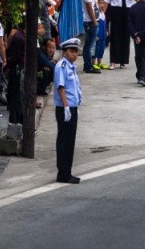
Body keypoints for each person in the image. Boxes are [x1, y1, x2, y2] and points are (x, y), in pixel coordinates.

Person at [53, 38, 83, 184]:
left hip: (72, 107)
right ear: (64, 52)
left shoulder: (71, 66)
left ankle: (67, 172)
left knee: (70, 141)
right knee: (64, 141)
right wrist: (66, 106)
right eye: (71, 51)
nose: (74, 54)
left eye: (76, 52)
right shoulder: (62, 66)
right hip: (65, 108)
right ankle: (63, 173)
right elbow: (61, 87)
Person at [106, 0, 138, 70]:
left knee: (125, 37)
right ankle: (112, 61)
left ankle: (123, 61)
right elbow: (107, 0)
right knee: (115, 37)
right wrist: (103, 14)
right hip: (116, 12)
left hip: (128, 13)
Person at [81, 0, 102, 74]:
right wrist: (94, 21)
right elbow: (89, 7)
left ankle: (88, 65)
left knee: (89, 44)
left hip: (92, 20)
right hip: (90, 21)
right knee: (89, 45)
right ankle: (88, 66)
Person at [5, 26, 25, 123]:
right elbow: (15, 56)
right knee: (16, 97)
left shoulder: (20, 36)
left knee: (18, 97)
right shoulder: (19, 38)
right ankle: (15, 120)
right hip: (16, 69)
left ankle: (18, 119)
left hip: (17, 69)